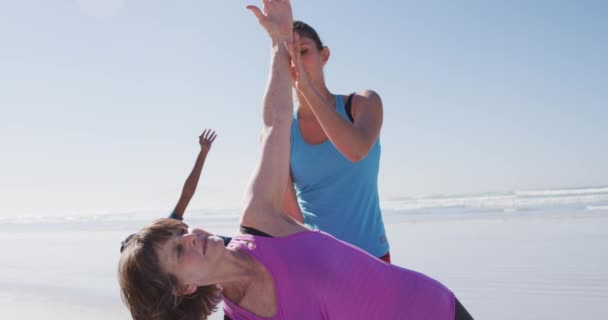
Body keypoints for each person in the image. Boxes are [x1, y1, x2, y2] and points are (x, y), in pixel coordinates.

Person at [118, 1, 473, 319]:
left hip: (437, 309)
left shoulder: (260, 220)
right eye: (180, 251)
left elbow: (274, 124)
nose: (192, 236)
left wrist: (277, 43)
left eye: (182, 232)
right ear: (183, 289)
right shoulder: (241, 316)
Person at [282, 20, 390, 261]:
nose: (295, 62)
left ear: (325, 55)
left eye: (303, 52)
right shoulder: (281, 132)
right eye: (287, 56)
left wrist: (307, 90)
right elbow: (292, 218)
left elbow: (355, 150)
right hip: (317, 261)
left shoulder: (363, 104)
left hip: (373, 258)